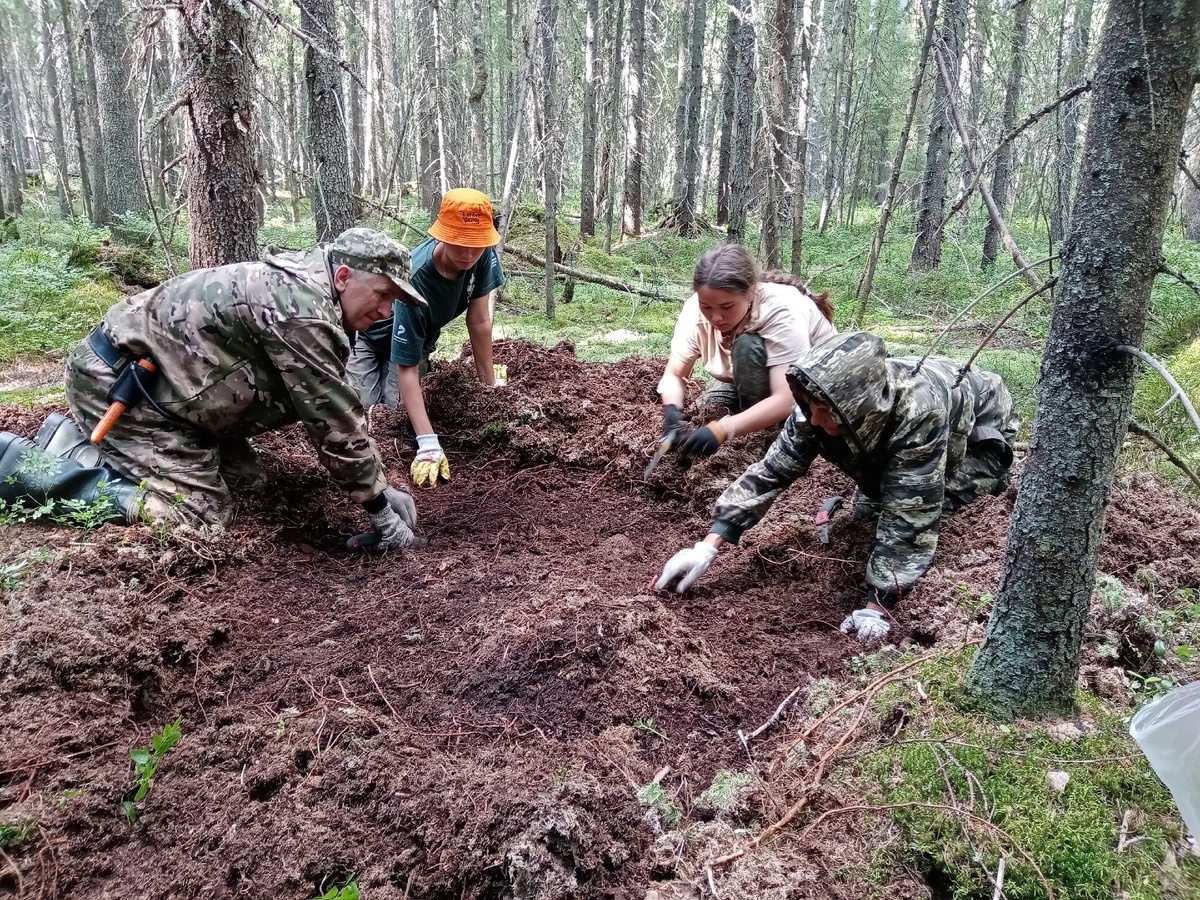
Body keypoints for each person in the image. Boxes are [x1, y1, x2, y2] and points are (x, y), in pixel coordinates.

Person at [0, 228, 426, 552]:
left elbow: (335, 405)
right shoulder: (301, 308)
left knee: (248, 487)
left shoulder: (310, 289)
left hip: (170, 398)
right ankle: (35, 465)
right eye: (383, 295)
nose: (386, 310)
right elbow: (332, 416)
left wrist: (377, 485)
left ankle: (82, 446)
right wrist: (379, 506)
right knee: (198, 519)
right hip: (120, 390)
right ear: (344, 276)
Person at [654, 331, 1018, 643]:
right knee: (868, 512)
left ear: (860, 409)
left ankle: (990, 484)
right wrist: (708, 545)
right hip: (887, 422)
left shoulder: (919, 414)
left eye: (824, 411)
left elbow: (911, 512)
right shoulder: (815, 403)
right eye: (811, 407)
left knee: (936, 502)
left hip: (979, 432)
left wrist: (877, 606)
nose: (814, 419)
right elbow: (771, 472)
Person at [348, 188, 507, 488]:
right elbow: (406, 367)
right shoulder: (418, 276)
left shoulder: (482, 255)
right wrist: (429, 443)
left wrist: (489, 387)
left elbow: (479, 321)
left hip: (417, 343)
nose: (468, 254)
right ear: (443, 236)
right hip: (370, 338)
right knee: (365, 417)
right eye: (459, 244)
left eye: (475, 245)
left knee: (396, 413)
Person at [656, 243, 836, 459]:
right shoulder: (694, 310)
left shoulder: (782, 311)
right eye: (706, 306)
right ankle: (748, 418)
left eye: (727, 307)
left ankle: (765, 438)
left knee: (747, 346)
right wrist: (671, 412)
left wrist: (722, 430)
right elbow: (675, 374)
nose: (715, 317)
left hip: (812, 394)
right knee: (701, 411)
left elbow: (786, 398)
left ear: (750, 293)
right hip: (750, 382)